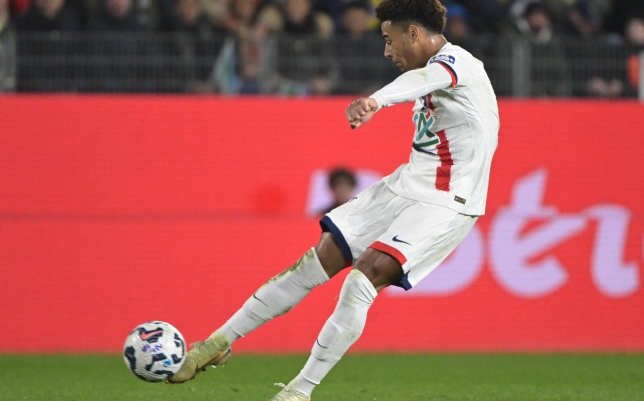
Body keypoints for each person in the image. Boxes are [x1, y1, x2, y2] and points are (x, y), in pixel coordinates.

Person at [167, 1, 500, 400]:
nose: (387, 51)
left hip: (448, 198)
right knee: (314, 261)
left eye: (389, 40)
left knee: (363, 279)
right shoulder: (431, 71)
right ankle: (216, 342)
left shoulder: (460, 64)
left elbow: (426, 79)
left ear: (413, 33)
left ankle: (298, 392)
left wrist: (376, 101)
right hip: (406, 183)